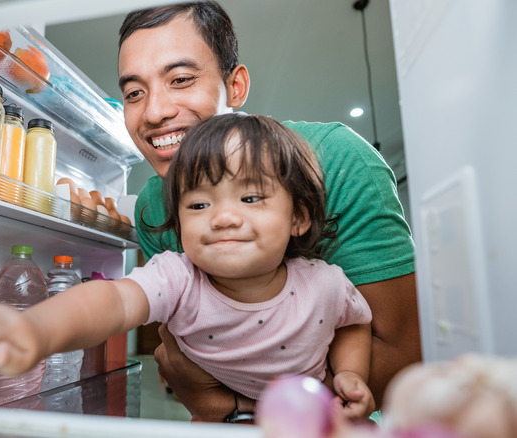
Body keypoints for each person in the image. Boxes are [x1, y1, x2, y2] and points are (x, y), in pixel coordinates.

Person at [117, 1, 420, 421]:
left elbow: (401, 356)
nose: (154, 112)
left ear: (235, 87)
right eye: (134, 93)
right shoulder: (154, 203)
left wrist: (232, 408)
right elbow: (182, 357)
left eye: (181, 79)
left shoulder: (336, 159)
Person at [0, 113, 375, 420]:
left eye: (250, 198)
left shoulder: (324, 283)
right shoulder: (178, 279)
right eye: (199, 204)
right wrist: (36, 329)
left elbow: (353, 322)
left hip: (316, 423)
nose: (224, 217)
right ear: (179, 223)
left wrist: (351, 373)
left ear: (298, 218)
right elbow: (113, 300)